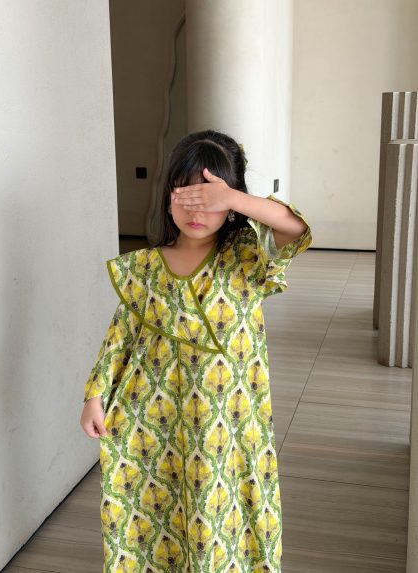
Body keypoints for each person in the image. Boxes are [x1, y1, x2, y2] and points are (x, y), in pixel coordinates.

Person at [80, 129, 312, 573]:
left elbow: (296, 229)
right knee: (157, 512)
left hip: (228, 424)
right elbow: (122, 335)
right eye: (185, 196)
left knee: (221, 513)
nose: (196, 210)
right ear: (168, 199)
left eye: (208, 199)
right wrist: (95, 394)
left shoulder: (246, 258)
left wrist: (233, 198)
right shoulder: (146, 267)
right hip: (154, 419)